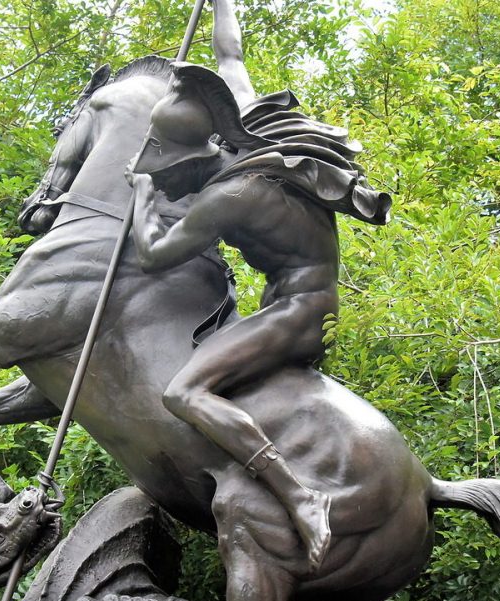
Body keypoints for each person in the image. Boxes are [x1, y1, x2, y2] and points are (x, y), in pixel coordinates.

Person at [127, 0, 390, 570]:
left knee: (183, 393)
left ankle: (301, 494)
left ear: (197, 158)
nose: (161, 175)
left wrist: (144, 201)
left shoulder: (229, 196)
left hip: (299, 311)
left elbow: (152, 257)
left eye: (166, 167)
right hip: (298, 302)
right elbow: (231, 55)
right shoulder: (249, 132)